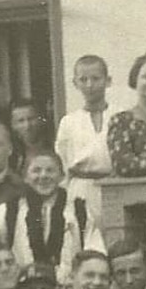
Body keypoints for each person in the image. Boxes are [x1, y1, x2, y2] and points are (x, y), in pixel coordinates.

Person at [0, 149, 104, 286]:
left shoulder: (79, 211)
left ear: (61, 176)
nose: (43, 176)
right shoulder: (11, 210)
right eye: (36, 171)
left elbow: (96, 252)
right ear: (25, 177)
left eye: (50, 170)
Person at [55, 54, 119, 218]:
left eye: (96, 78)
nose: (90, 85)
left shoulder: (120, 116)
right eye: (83, 79)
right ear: (75, 83)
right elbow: (62, 160)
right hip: (80, 189)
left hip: (114, 186)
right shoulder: (69, 122)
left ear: (108, 80)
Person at [8, 99, 56, 178]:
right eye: (21, 121)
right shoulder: (12, 156)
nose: (27, 126)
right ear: (13, 125)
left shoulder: (54, 148)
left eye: (31, 119)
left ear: (40, 120)